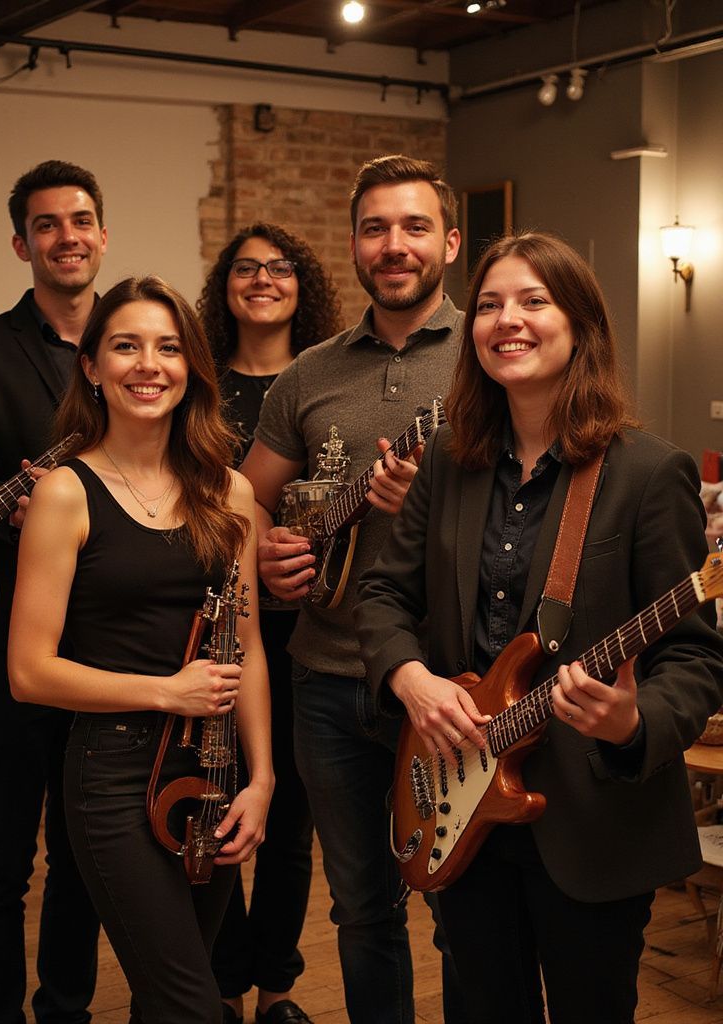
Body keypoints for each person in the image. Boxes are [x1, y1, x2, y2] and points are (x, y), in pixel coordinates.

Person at [355, 231, 723, 1023]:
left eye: (532, 301)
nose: (505, 320)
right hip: (461, 803)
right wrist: (410, 678)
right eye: (488, 304)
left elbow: (694, 656)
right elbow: (382, 595)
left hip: (593, 821)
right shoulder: (452, 459)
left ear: (581, 324)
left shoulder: (648, 474)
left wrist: (633, 721)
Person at [239, 155, 468, 1024]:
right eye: (376, 229)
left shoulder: (489, 359)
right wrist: (266, 553)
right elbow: (247, 500)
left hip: (448, 686)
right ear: (353, 247)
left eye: (414, 227)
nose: (394, 245)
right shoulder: (310, 373)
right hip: (328, 678)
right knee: (362, 911)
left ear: (448, 241)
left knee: (458, 905)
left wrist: (438, 504)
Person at [7, 276, 273, 1024]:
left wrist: (264, 780)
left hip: (216, 769)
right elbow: (29, 672)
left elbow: (245, 647)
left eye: (168, 347)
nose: (148, 364)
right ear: (91, 366)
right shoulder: (64, 491)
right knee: (192, 1006)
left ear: (191, 368)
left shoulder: (232, 493)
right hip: (114, 775)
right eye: (125, 346)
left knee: (173, 997)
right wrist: (166, 691)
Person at [0, 160, 103, 1024]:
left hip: (112, 647)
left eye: (80, 220)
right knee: (0, 861)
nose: (66, 236)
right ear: (21, 243)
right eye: (47, 224)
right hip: (8, 646)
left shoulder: (135, 344)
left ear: (102, 235)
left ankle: (66, 1009)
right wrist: (28, 507)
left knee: (83, 856)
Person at [197, 223, 340, 1024]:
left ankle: (278, 988)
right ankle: (221, 983)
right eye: (245, 269)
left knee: (290, 817)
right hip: (210, 627)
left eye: (278, 268)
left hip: (308, 626)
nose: (262, 280)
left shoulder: (327, 381)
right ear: (225, 288)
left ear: (301, 285)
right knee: (219, 801)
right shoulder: (199, 384)